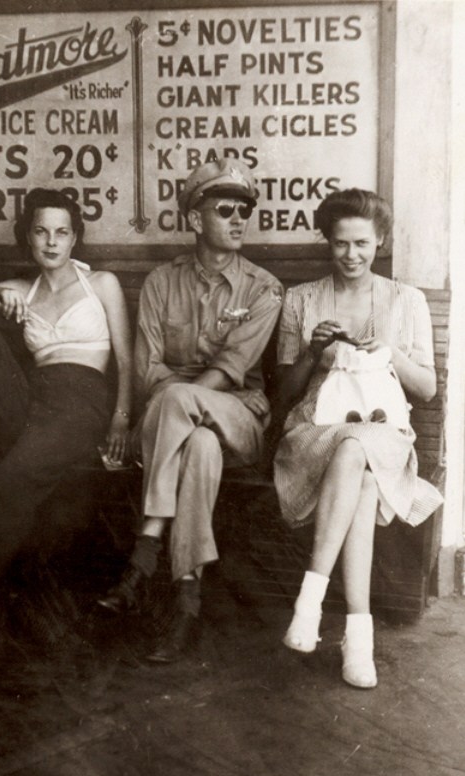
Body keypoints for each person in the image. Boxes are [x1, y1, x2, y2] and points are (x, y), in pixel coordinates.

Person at [0, 188, 133, 651]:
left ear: (75, 239)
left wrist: (120, 416)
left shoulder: (103, 284)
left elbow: (127, 360)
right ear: (27, 238)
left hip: (83, 402)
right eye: (41, 231)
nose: (51, 242)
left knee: (11, 477)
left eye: (61, 232)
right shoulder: (20, 290)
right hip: (34, 399)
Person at [97, 158, 283, 663]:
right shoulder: (161, 282)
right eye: (225, 209)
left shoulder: (264, 289)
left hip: (239, 419)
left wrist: (182, 401)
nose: (239, 219)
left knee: (185, 404)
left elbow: (229, 370)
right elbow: (146, 370)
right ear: (195, 218)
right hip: (176, 426)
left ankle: (145, 550)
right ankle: (186, 599)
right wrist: (178, 410)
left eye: (244, 209)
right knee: (196, 443)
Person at [273, 188, 443, 688]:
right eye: (341, 244)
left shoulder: (405, 301)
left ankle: (310, 601)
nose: (352, 255)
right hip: (314, 431)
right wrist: (311, 352)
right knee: (360, 473)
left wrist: (390, 350)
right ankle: (358, 636)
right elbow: (283, 393)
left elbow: (427, 390)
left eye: (363, 244)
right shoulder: (300, 299)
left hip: (385, 430)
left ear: (381, 242)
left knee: (359, 447)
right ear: (328, 241)